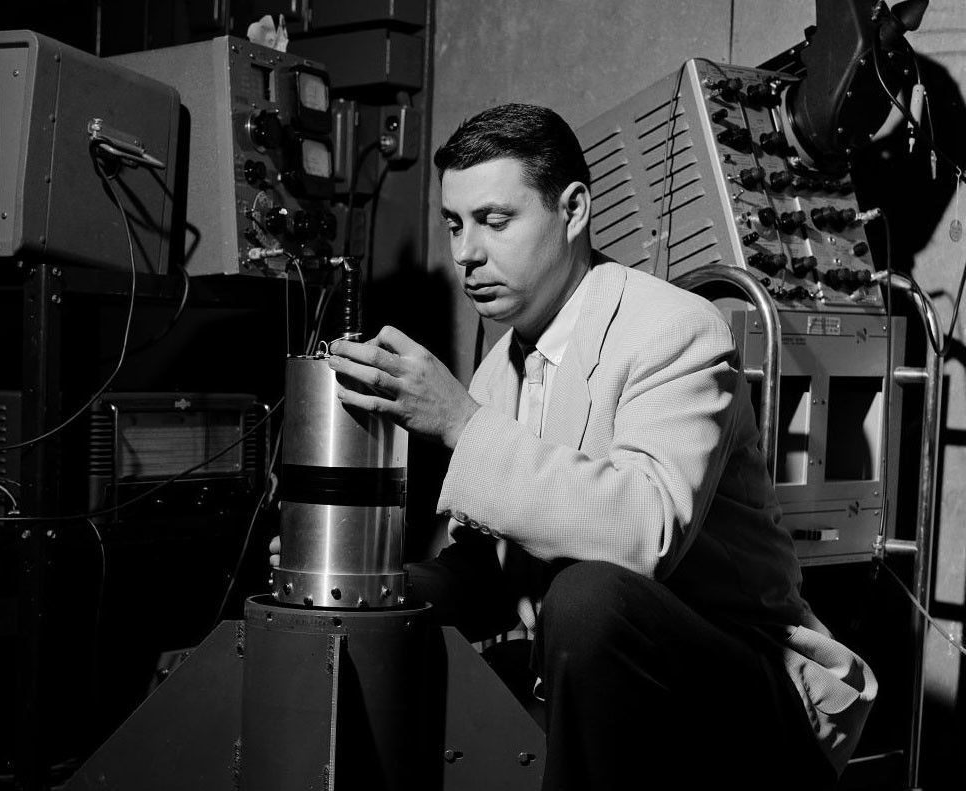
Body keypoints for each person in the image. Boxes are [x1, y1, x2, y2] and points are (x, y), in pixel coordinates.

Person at [271, 103, 876, 789]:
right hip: (580, 667)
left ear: (574, 209)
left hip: (745, 691)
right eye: (454, 224)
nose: (467, 252)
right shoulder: (503, 361)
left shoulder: (674, 329)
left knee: (589, 597)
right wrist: (366, 581)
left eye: (495, 221)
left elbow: (643, 533)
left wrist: (461, 423)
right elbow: (492, 567)